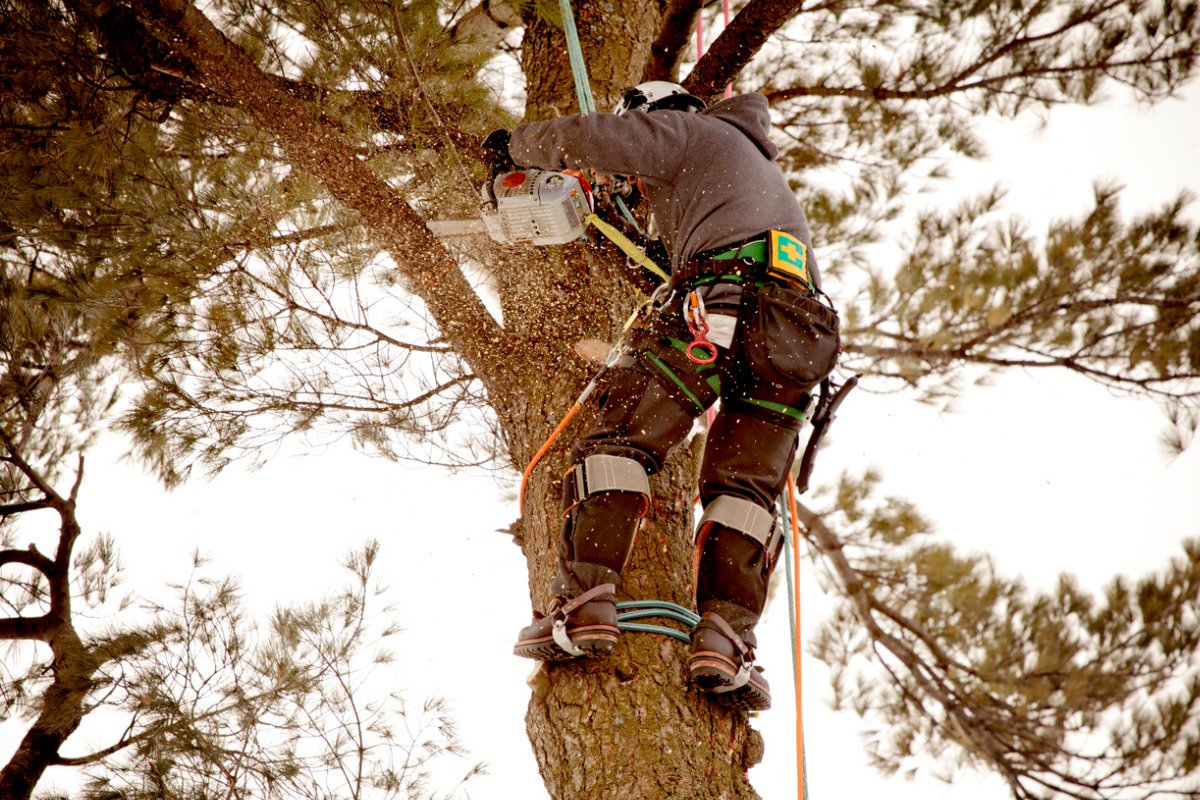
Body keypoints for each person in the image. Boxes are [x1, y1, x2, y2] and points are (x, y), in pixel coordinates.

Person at [482, 81, 841, 711]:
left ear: (656, 116)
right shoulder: (742, 172)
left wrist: (516, 146)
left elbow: (595, 138)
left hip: (723, 306)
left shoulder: (689, 132)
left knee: (621, 442)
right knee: (745, 493)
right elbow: (668, 268)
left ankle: (585, 607)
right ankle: (725, 647)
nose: (642, 188)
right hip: (796, 335)